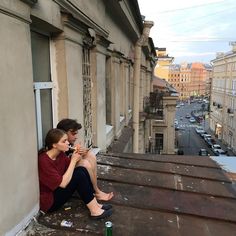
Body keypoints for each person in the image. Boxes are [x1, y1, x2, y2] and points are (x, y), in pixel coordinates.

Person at [38, 128, 112, 219]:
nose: (68, 143)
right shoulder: (44, 161)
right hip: (50, 201)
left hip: (58, 191)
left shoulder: (60, 154)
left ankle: (96, 205)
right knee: (79, 175)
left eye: (67, 140)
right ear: (54, 145)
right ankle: (95, 211)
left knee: (81, 170)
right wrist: (73, 160)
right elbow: (63, 184)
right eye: (64, 141)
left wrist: (79, 154)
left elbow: (71, 169)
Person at [57, 118, 114, 201]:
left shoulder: (67, 144)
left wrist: (83, 151)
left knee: (90, 155)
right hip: (63, 179)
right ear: (64, 133)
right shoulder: (59, 145)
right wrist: (75, 156)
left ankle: (96, 190)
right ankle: (96, 191)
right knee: (84, 163)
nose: (76, 137)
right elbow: (64, 163)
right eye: (73, 134)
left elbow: (70, 154)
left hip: (68, 170)